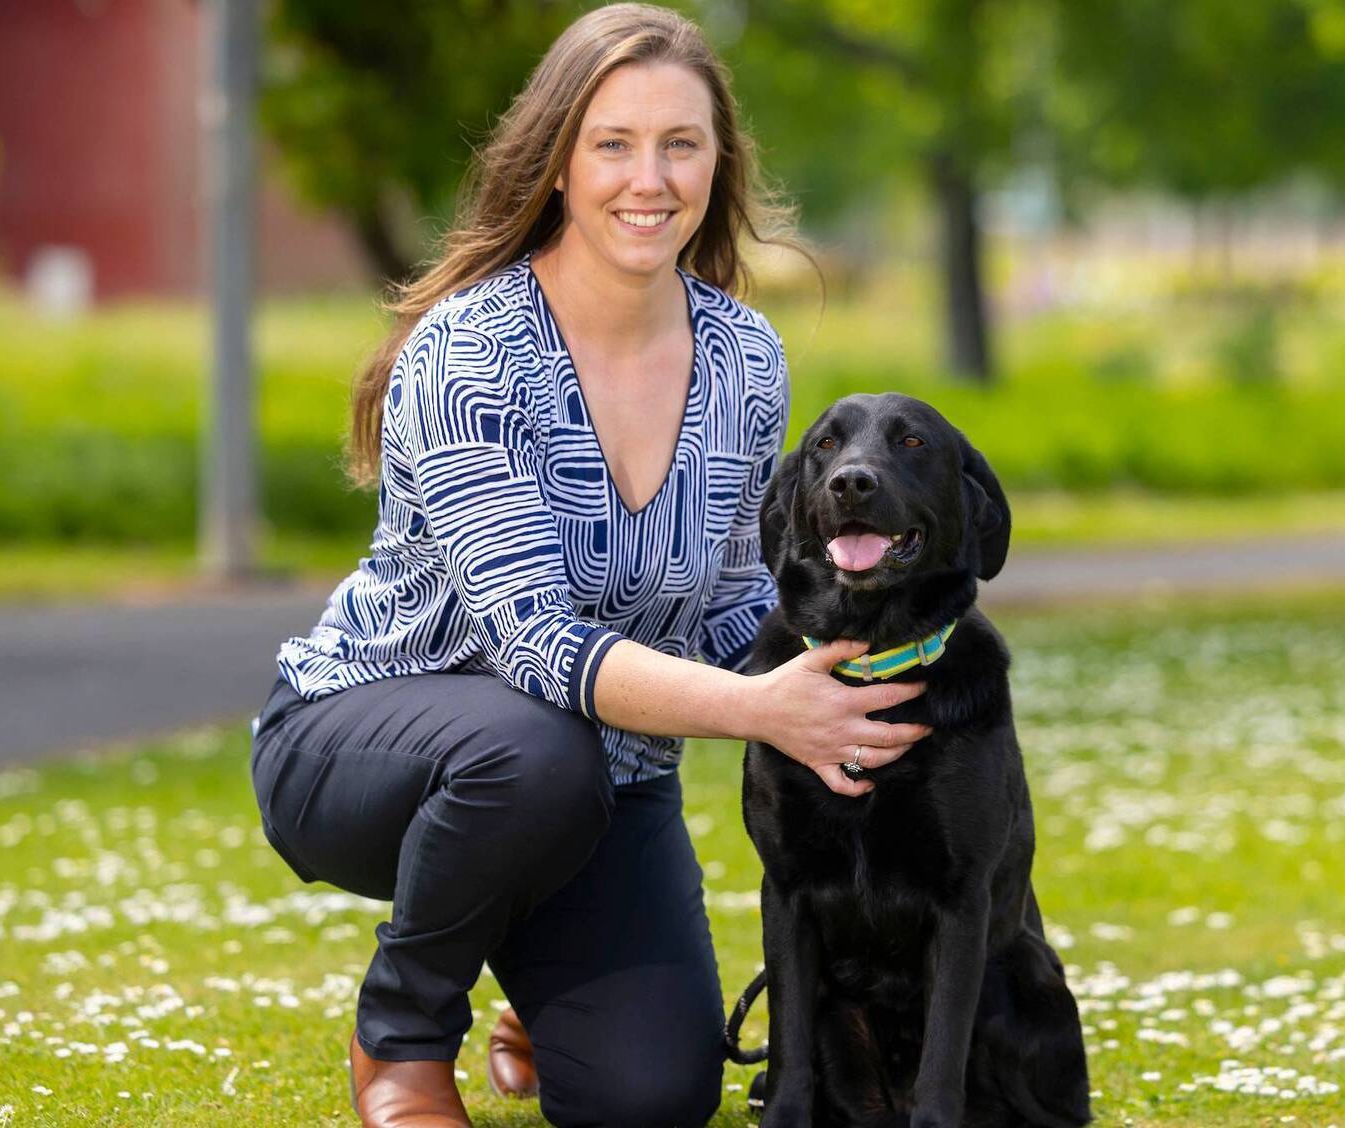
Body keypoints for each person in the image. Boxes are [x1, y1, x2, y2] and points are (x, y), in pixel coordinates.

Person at [248, 6, 931, 1125]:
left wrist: (863, 675)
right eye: (613, 143)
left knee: (653, 1099)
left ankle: (534, 971)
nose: (647, 179)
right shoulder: (473, 349)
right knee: (534, 748)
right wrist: (766, 714)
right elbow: (538, 648)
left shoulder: (745, 360)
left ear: (719, 164)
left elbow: (734, 603)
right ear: (558, 162)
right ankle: (402, 1039)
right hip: (360, 747)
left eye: (681, 144)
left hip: (603, 780)